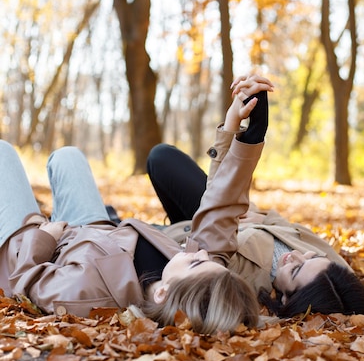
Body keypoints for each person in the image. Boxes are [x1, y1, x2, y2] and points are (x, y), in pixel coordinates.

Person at [0, 73, 277, 334]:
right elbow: (221, 208)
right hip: (92, 230)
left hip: (27, 248)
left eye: (198, 263)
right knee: (68, 156)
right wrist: (247, 134)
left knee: (3, 154)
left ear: (162, 293)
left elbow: (23, 282)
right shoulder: (188, 267)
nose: (203, 254)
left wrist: (44, 238)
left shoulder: (88, 294)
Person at [145, 146, 364, 321]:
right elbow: (285, 225)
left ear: (287, 299)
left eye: (295, 269)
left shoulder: (242, 283)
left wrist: (235, 221)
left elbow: (211, 239)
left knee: (158, 162)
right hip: (241, 213)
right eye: (312, 257)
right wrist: (258, 217)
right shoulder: (335, 274)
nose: (299, 255)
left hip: (201, 229)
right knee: (163, 157)